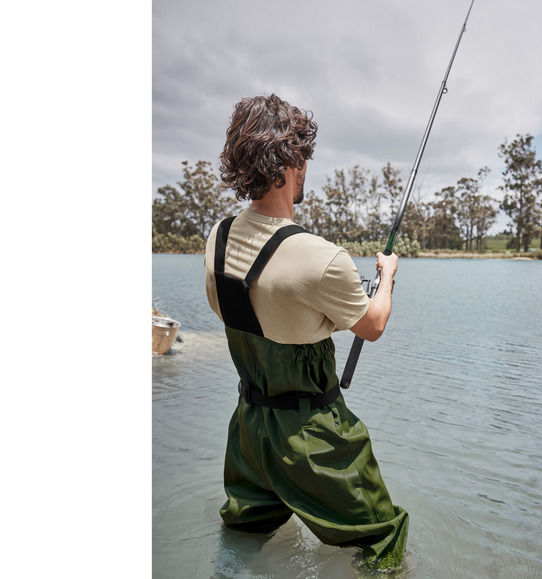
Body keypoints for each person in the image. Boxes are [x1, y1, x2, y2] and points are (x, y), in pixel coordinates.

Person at [203, 93, 409, 570]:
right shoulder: (323, 258)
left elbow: (246, 310)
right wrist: (388, 276)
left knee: (243, 537)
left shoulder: (217, 238)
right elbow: (373, 325)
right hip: (312, 439)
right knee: (382, 539)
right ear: (292, 162)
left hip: (248, 430)